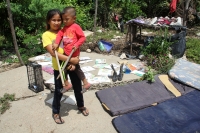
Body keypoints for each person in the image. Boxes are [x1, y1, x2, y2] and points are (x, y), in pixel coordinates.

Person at [42, 9, 89, 124]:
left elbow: (76, 45)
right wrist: (71, 60)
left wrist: (74, 62)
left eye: (59, 20)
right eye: (54, 20)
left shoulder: (66, 30)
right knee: (59, 91)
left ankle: (81, 105)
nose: (57, 22)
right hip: (59, 67)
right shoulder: (46, 35)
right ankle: (56, 112)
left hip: (71, 64)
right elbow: (53, 53)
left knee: (77, 86)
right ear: (48, 21)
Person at [52, 6, 90, 93]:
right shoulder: (64, 29)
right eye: (63, 19)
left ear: (74, 18)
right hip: (67, 53)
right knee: (64, 68)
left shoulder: (76, 27)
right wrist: (56, 43)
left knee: (76, 69)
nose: (64, 21)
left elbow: (82, 38)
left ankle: (85, 83)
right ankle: (68, 84)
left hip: (74, 53)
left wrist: (76, 45)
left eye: (67, 19)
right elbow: (59, 36)